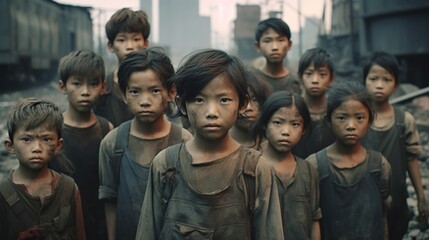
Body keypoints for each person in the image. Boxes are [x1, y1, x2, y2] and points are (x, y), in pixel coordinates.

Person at [136, 49, 284, 239]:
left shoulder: (255, 170)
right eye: (199, 100)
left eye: (224, 100)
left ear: (242, 103)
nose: (212, 112)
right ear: (182, 104)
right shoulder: (165, 165)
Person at [98, 48, 192, 240]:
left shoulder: (184, 141)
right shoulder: (113, 143)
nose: (145, 101)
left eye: (155, 90)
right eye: (135, 91)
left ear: (170, 92)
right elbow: (110, 201)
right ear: (124, 94)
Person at [306, 81, 392, 239]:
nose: (351, 125)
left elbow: (383, 214)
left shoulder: (379, 165)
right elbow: (312, 219)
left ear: (370, 121)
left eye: (359, 118)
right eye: (342, 117)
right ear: (328, 120)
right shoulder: (315, 165)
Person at [361, 51, 428, 240]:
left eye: (386, 79)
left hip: (397, 202)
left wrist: (421, 198)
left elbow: (412, 159)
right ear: (364, 80)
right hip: (362, 201)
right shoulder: (357, 121)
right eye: (373, 79)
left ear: (396, 84)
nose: (379, 85)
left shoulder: (404, 120)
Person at [0, 98, 85, 240]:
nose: (37, 148)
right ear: (10, 146)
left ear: (58, 145)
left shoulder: (69, 188)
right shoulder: (3, 193)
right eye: (27, 139)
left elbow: (80, 235)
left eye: (46, 139)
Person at [54, 49, 113, 239]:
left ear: (103, 87)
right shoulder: (52, 130)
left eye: (93, 84)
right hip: (59, 223)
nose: (85, 92)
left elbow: (110, 186)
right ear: (63, 87)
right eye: (77, 84)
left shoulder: (106, 129)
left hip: (97, 222)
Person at [252, 91, 321, 239]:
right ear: (264, 124)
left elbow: (314, 218)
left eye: (295, 124)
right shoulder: (251, 167)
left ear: (304, 130)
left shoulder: (308, 170)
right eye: (278, 122)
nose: (286, 131)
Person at [94, 8, 151, 127]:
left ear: (146, 44)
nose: (129, 46)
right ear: (111, 46)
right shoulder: (105, 87)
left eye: (136, 39)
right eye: (121, 40)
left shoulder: (156, 83)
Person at [293, 47, 336, 159]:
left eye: (322, 74)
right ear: (300, 77)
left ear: (331, 78)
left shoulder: (336, 110)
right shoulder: (293, 108)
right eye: (309, 74)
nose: (315, 80)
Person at [251, 17, 301, 95]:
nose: (275, 47)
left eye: (280, 40)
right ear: (258, 46)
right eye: (267, 41)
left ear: (289, 45)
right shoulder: (251, 81)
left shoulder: (298, 83)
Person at [229, 70, 271, 149]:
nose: (248, 107)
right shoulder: (216, 144)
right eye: (242, 101)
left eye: (254, 100)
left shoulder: (272, 147)